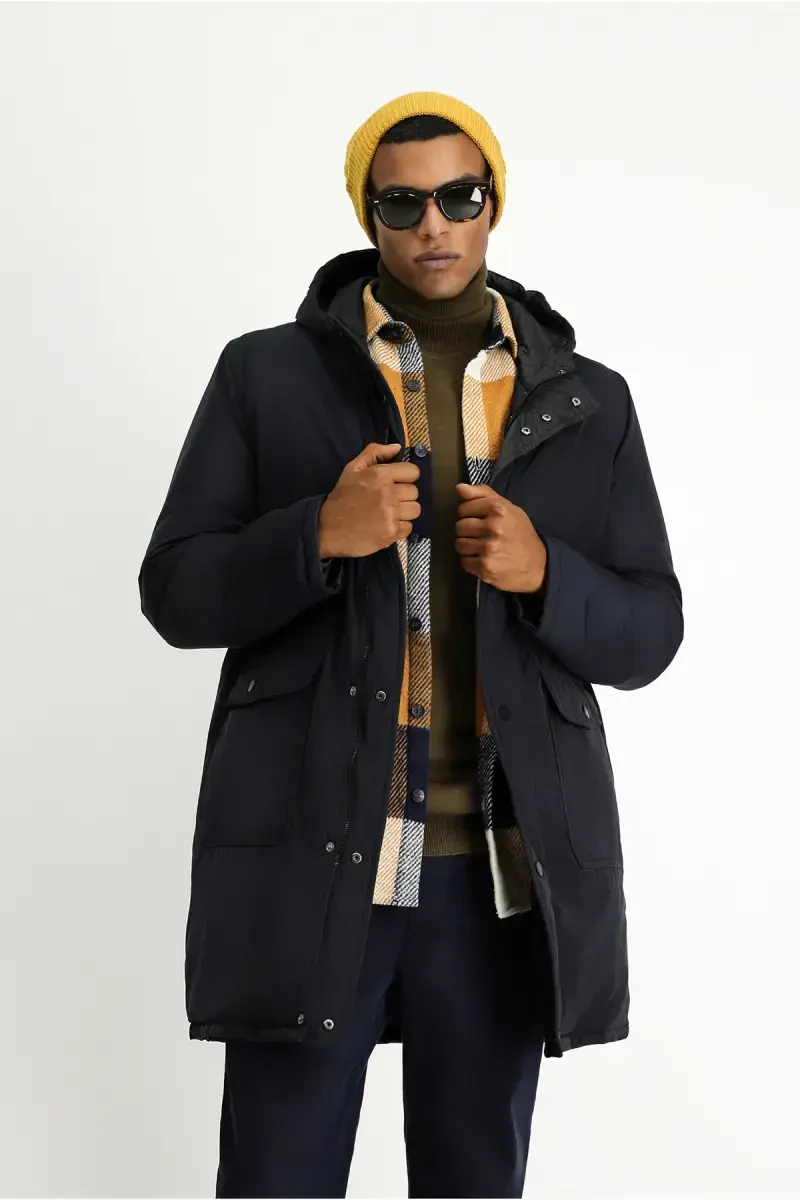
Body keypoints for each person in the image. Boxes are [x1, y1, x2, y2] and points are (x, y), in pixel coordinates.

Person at [138, 90, 684, 1198]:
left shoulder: (588, 400)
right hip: (317, 862)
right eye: (401, 203)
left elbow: (650, 630)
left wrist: (548, 573)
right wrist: (315, 536)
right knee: (276, 1179)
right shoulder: (265, 375)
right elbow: (176, 591)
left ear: (492, 204)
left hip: (496, 878)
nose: (433, 224)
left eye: (458, 197)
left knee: (473, 1181)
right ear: (367, 215)